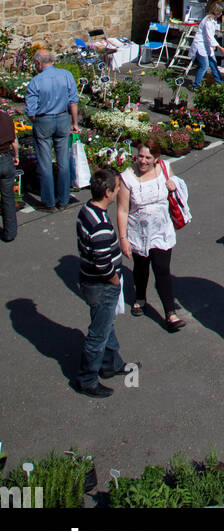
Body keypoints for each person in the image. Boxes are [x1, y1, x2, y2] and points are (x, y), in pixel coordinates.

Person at [74, 167, 133, 397]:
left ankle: (111, 363)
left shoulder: (87, 210)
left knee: (106, 324)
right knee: (98, 334)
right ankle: (87, 378)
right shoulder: (100, 224)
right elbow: (102, 263)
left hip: (89, 281)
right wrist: (115, 279)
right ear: (108, 192)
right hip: (101, 285)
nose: (119, 191)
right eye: (117, 187)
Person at [116, 138, 186, 331]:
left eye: (148, 157)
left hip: (161, 229)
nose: (143, 161)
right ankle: (140, 296)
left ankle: (170, 313)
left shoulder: (164, 168)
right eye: (140, 156)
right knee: (140, 267)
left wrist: (173, 186)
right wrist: (123, 239)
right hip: (138, 230)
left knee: (162, 269)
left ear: (156, 158)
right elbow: (122, 210)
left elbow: (178, 191)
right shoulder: (127, 178)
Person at [24, 49, 80, 212]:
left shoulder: (36, 81)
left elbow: (30, 110)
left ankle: (49, 202)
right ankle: (63, 199)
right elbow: (73, 101)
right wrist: (74, 122)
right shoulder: (66, 75)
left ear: (39, 63)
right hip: (63, 118)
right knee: (63, 161)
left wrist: (38, 121)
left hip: (44, 120)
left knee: (45, 162)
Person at [190, 2, 224, 89]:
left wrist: (213, 45)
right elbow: (210, 36)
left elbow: (210, 37)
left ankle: (219, 81)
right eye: (220, 12)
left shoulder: (212, 20)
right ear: (216, 12)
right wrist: (220, 48)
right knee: (204, 65)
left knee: (213, 63)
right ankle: (196, 85)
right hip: (200, 45)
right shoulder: (208, 22)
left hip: (207, 45)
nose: (221, 14)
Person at [0, 104, 19, 242]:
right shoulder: (6, 118)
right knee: (8, 199)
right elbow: (14, 142)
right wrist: (16, 156)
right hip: (6, 159)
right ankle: (10, 233)